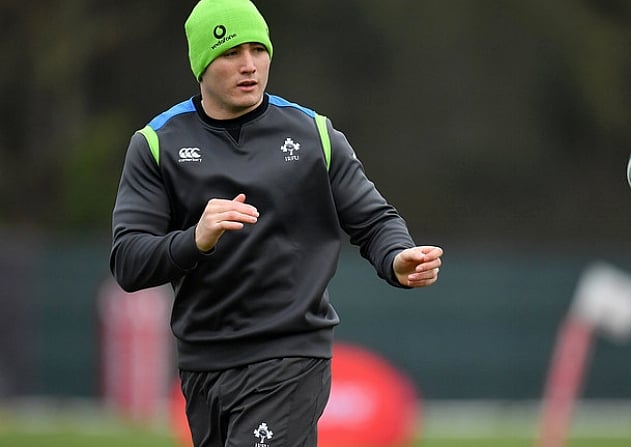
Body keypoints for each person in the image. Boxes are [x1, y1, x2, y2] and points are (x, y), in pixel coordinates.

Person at [109, 1, 444, 446]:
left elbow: (374, 220)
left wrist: (397, 257)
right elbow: (128, 262)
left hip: (290, 356)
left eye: (258, 50)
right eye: (231, 53)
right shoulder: (157, 145)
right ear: (202, 64)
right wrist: (195, 239)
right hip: (203, 364)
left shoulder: (314, 135)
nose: (249, 65)